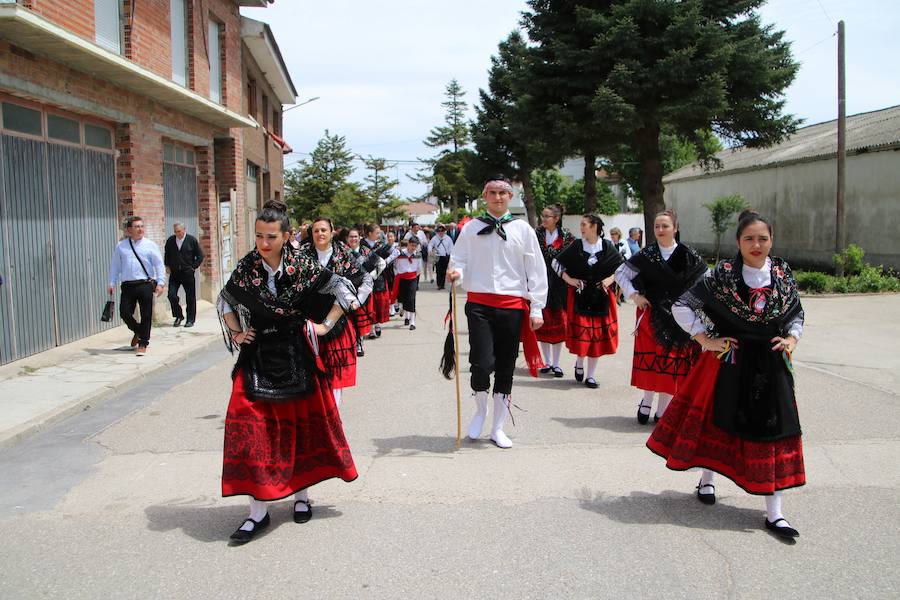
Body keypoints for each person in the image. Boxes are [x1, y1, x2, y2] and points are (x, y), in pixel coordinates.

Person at [647, 210, 805, 539]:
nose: (756, 244)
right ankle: (707, 481)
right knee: (717, 422)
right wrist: (705, 340)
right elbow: (681, 306)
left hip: (771, 366)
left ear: (771, 240)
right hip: (728, 359)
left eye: (763, 238)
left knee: (774, 430)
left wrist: (791, 338)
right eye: (749, 238)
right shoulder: (724, 276)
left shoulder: (781, 273)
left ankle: (775, 513)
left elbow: (795, 312)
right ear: (738, 242)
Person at [218, 199, 359, 544]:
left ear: (285, 236)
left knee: (301, 428)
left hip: (298, 351)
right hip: (258, 354)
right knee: (250, 428)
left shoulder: (304, 265)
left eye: (270, 236)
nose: (263, 243)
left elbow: (344, 291)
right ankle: (257, 512)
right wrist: (237, 332)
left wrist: (324, 326)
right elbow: (226, 301)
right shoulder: (247, 267)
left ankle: (301, 497)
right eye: (259, 236)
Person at [447, 176, 548, 449]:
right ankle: (480, 410)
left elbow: (536, 268)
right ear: (485, 196)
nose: (498, 197)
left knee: (505, 366)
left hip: (512, 306)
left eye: (503, 193)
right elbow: (459, 259)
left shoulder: (523, 229)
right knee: (481, 362)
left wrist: (537, 307)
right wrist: (457, 273)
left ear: (510, 197)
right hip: (479, 303)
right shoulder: (471, 228)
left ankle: (498, 427)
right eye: (492, 192)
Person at [615, 210, 707, 423]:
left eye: (665, 226)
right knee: (653, 361)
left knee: (671, 363)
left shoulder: (687, 254)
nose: (660, 230)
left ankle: (663, 410)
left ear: (675, 228)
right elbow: (621, 273)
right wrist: (634, 295)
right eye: (657, 226)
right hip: (651, 315)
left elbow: (705, 280)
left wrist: (694, 306)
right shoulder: (647, 254)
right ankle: (646, 401)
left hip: (679, 318)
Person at [303, 218, 372, 408]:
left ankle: (334, 412)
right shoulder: (302, 256)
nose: (320, 234)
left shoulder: (344, 255)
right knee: (312, 372)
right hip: (310, 320)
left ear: (332, 232)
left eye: (324, 230)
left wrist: (356, 301)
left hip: (338, 321)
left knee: (335, 372)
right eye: (316, 231)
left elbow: (365, 279)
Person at [553, 215, 623, 389]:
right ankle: (579, 361)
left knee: (597, 338)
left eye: (584, 225)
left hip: (601, 298)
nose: (581, 228)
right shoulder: (576, 246)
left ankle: (591, 376)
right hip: (580, 297)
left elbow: (622, 267)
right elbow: (556, 262)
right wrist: (569, 279)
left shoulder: (607, 246)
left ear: (595, 226)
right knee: (584, 336)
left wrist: (610, 279)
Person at [108, 216, 165, 355]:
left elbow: (159, 265)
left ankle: (143, 342)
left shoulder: (150, 245)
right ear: (129, 230)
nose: (140, 229)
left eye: (141, 226)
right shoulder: (121, 246)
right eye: (136, 227)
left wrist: (161, 283)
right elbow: (115, 265)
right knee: (125, 312)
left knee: (146, 314)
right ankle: (139, 331)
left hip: (145, 284)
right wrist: (111, 282)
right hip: (128, 285)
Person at [534, 203, 575, 377]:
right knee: (541, 322)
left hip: (559, 285)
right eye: (542, 216)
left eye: (547, 216)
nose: (543, 219)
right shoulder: (536, 235)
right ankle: (547, 361)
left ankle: (556, 364)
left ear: (556, 219)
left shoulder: (567, 237)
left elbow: (573, 260)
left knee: (559, 323)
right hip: (540, 281)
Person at [346, 227, 386, 355]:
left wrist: (371, 277)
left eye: (355, 236)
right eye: (351, 237)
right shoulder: (342, 253)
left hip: (363, 290)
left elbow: (382, 263)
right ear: (347, 238)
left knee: (359, 317)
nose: (353, 239)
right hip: (347, 290)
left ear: (360, 238)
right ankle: (350, 343)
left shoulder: (366, 252)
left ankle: (359, 344)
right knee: (348, 318)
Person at [164, 222, 204, 328]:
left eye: (179, 231)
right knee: (171, 295)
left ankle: (190, 319)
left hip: (187, 273)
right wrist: (167, 265)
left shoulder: (191, 240)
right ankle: (178, 315)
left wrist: (193, 267)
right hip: (175, 273)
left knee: (190, 297)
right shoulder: (171, 241)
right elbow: (167, 254)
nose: (177, 234)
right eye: (175, 232)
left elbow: (200, 256)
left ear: (184, 229)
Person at [363, 223, 398, 338]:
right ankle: (371, 328)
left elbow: (393, 254)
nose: (379, 235)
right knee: (369, 303)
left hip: (379, 276)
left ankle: (377, 324)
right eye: (377, 233)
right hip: (365, 276)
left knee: (377, 303)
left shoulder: (381, 245)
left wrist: (387, 261)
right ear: (369, 233)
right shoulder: (362, 245)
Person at [391, 236, 422, 330]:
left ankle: (412, 321)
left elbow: (419, 269)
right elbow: (395, 266)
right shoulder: (400, 254)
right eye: (412, 245)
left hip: (412, 278)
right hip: (402, 278)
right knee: (403, 298)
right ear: (408, 244)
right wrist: (398, 274)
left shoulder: (418, 255)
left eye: (415, 246)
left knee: (411, 298)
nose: (413, 248)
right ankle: (406, 317)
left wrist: (413, 276)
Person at [428, 225, 454, 290]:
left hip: (445, 256)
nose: (441, 233)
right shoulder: (435, 238)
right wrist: (430, 251)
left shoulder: (448, 238)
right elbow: (430, 245)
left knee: (444, 271)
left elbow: (451, 247)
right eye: (439, 232)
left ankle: (442, 284)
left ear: (444, 232)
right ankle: (439, 285)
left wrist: (450, 254)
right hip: (437, 256)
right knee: (438, 271)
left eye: (442, 232)